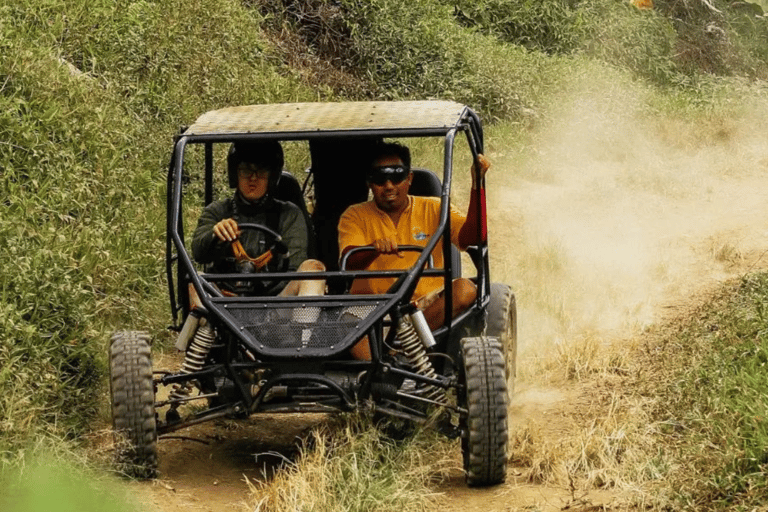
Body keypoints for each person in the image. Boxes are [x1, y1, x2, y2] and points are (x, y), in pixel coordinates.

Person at [338, 141, 490, 359]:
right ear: (370, 183)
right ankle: (380, 373)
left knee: (465, 289)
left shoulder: (435, 208)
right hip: (372, 308)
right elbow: (349, 261)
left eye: (397, 176)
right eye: (380, 178)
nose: (389, 185)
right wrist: (373, 249)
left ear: (409, 179)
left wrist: (478, 186)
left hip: (424, 307)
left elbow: (473, 236)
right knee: (348, 323)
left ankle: (400, 352)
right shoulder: (354, 215)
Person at [192, 140, 325, 298]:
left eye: (261, 171)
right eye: (246, 170)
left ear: (272, 175)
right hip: (223, 303)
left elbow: (295, 268)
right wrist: (215, 236)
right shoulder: (217, 211)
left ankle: (303, 323)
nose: (253, 178)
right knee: (195, 279)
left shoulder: (289, 214)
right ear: (235, 174)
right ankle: (197, 322)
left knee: (312, 269)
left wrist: (262, 290)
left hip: (276, 304)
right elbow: (198, 253)